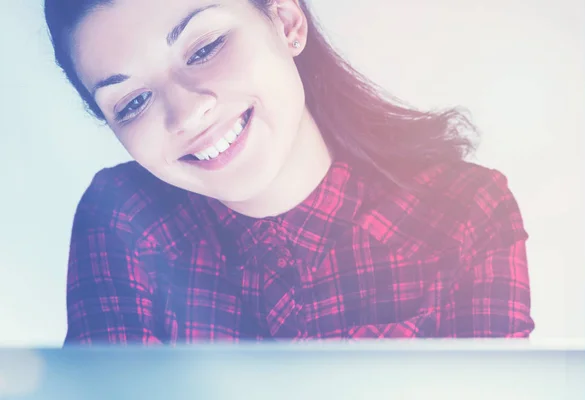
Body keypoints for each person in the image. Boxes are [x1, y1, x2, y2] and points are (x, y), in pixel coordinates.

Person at [45, 0, 534, 344]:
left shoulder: (466, 210)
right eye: (131, 102)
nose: (186, 113)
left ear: (286, 22)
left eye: (204, 48)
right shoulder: (124, 218)